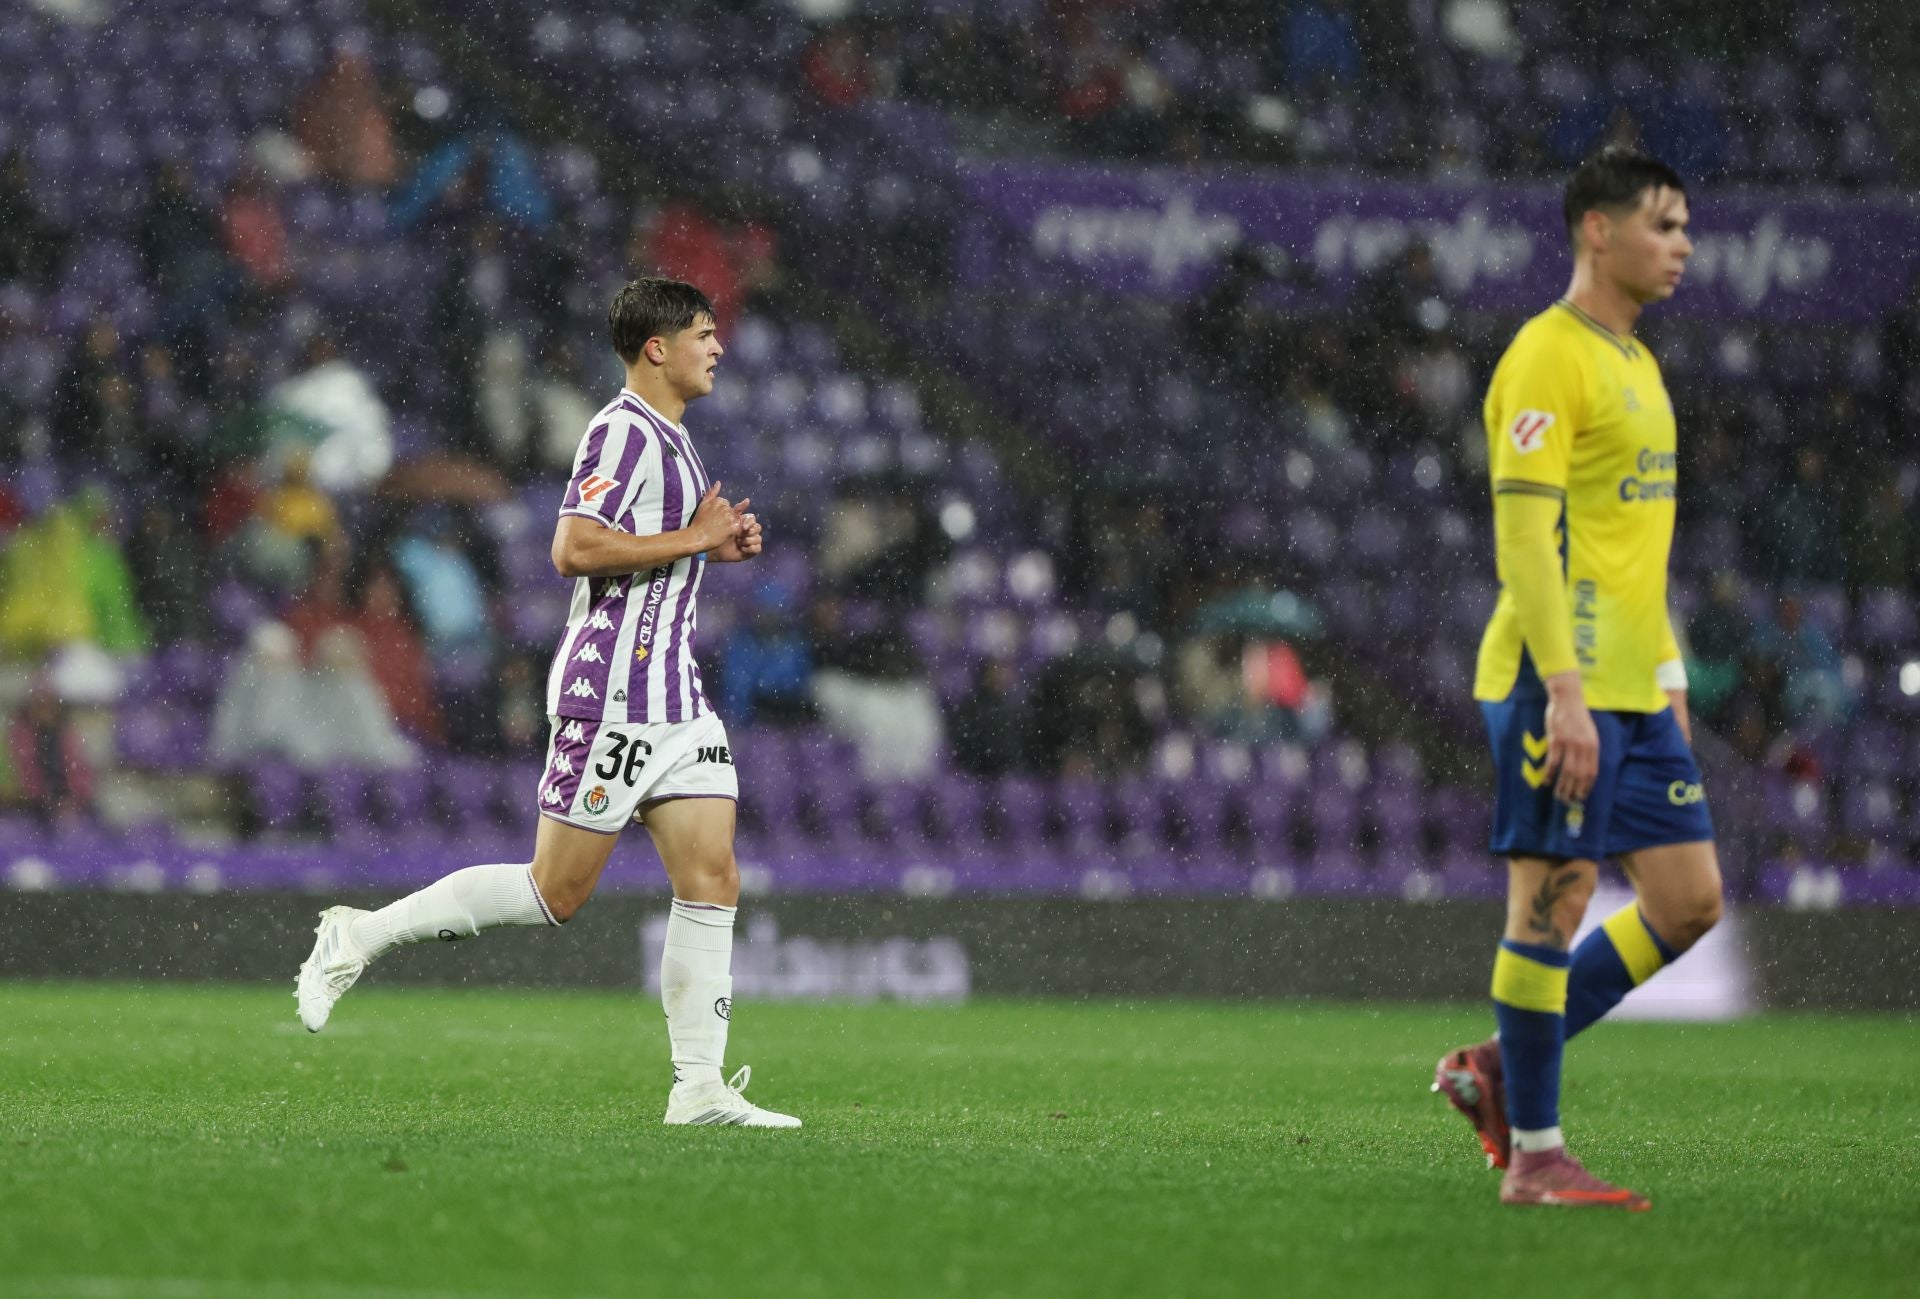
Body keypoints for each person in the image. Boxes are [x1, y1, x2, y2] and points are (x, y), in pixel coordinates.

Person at [294, 277, 798, 1128]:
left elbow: (647, 552)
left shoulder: (676, 440)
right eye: (703, 334)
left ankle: (699, 1087)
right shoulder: (621, 431)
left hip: (677, 698)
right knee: (553, 891)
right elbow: (574, 547)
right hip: (614, 695)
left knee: (712, 873)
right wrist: (695, 538)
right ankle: (358, 935)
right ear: (657, 348)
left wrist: (711, 550)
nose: (718, 347)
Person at [1430, 148, 1720, 1212]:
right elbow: (1525, 539)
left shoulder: (1638, 363)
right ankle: (1537, 1157)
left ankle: (1499, 1066)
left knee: (1687, 901)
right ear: (1598, 229)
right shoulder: (1546, 356)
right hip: (1557, 684)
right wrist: (1563, 690)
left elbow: (1635, 545)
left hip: (1636, 691)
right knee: (1550, 902)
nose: (1683, 245)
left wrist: (1667, 666)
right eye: (1662, 224)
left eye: (1684, 226)